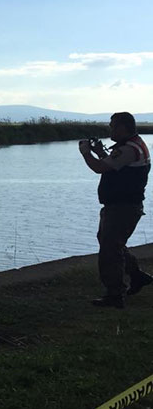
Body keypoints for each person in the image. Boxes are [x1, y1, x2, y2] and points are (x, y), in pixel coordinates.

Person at [78, 112, 151, 308]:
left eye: (113, 126)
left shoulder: (127, 149)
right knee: (111, 243)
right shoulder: (135, 145)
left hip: (122, 207)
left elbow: (99, 168)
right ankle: (136, 276)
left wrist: (86, 152)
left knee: (110, 249)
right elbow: (116, 167)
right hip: (125, 205)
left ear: (122, 128)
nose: (110, 129)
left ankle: (115, 295)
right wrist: (101, 152)